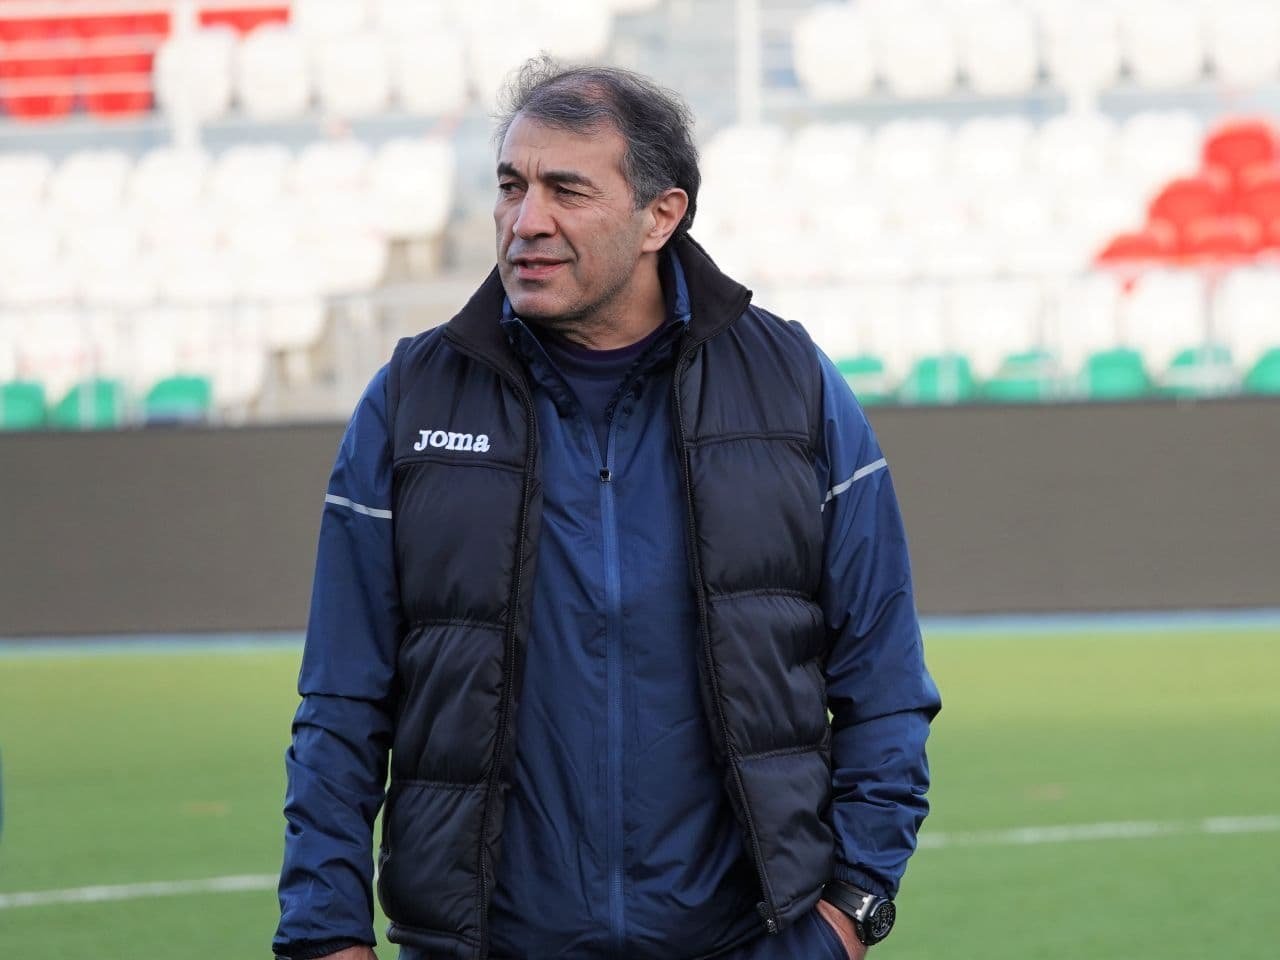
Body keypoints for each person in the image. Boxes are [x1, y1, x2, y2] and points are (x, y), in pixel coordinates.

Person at [274, 58, 940, 960]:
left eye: (567, 190)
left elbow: (884, 680)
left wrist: (849, 912)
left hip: (749, 942)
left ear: (660, 216)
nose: (526, 221)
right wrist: (324, 935)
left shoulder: (793, 386)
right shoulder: (411, 398)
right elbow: (341, 699)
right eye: (511, 186)